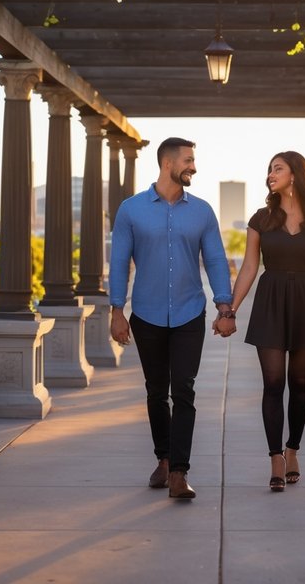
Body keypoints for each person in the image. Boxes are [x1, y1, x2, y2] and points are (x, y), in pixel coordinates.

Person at [109, 137, 233, 500]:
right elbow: (119, 262)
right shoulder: (131, 210)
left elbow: (215, 260)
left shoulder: (203, 212)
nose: (193, 167)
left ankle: (179, 472)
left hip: (189, 313)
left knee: (184, 389)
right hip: (145, 314)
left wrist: (224, 307)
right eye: (189, 160)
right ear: (167, 164)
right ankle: (163, 459)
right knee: (155, 391)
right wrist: (117, 311)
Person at [216, 150, 305, 492]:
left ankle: (292, 449)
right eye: (270, 169)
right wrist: (230, 310)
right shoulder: (261, 219)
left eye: (278, 168)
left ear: (295, 175)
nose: (271, 174)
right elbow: (250, 268)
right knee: (273, 384)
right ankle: (274, 457)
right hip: (271, 303)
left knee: (300, 384)